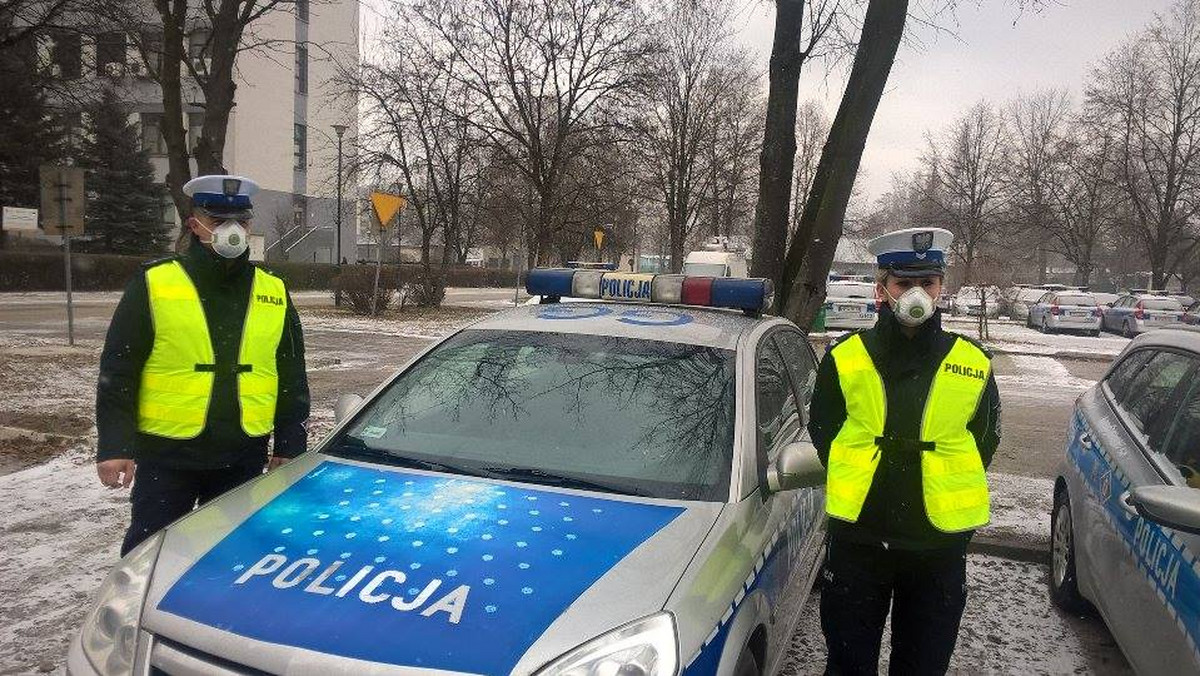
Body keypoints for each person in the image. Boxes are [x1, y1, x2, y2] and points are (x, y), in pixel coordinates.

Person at [808, 227, 1001, 675]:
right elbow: (825, 432)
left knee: (922, 667)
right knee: (848, 665)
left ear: (941, 288)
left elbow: (984, 440)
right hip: (859, 542)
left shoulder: (973, 362)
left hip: (937, 548)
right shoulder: (845, 356)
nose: (917, 294)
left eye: (927, 283)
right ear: (882, 288)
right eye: (903, 284)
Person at [95, 175, 310, 556]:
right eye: (218, 221)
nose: (231, 231)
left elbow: (291, 372)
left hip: (243, 455)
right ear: (195, 225)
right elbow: (120, 368)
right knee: (151, 555)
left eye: (240, 222)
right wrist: (115, 444)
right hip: (168, 457)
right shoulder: (156, 282)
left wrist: (290, 442)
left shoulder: (273, 290)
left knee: (230, 555)